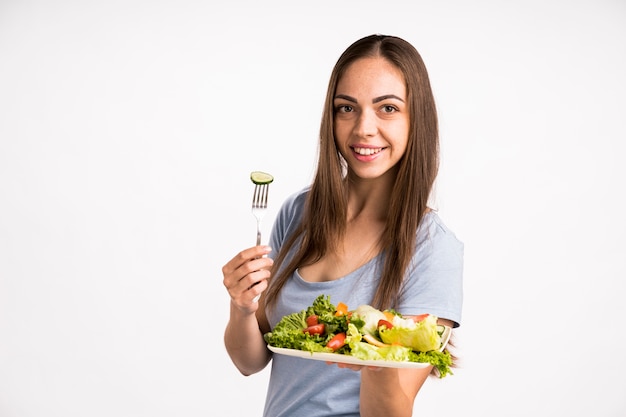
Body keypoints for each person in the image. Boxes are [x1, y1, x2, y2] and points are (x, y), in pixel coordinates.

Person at [222, 34, 463, 417]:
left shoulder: (433, 247)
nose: (364, 128)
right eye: (347, 108)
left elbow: (390, 413)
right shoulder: (298, 212)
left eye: (387, 108)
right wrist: (242, 306)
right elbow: (249, 361)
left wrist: (375, 357)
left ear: (416, 118)